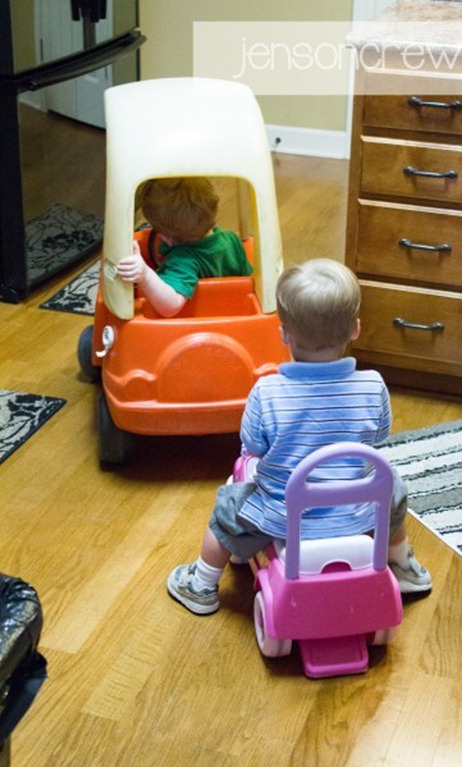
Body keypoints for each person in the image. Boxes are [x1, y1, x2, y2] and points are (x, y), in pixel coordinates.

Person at [167, 258, 432, 615]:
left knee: (227, 506)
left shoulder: (267, 392)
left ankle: (200, 584)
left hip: (284, 516)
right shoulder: (373, 385)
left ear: (284, 334)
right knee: (393, 486)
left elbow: (253, 447)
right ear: (355, 329)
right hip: (356, 513)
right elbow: (379, 435)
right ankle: (402, 566)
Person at [116, 177, 253, 317]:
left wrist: (146, 276)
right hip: (234, 312)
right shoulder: (232, 239)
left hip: (196, 321)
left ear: (168, 237)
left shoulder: (183, 261)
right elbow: (250, 282)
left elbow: (170, 307)